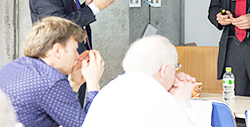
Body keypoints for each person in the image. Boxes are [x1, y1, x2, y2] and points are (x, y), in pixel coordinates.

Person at [82, 35, 210, 127]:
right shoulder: (159, 98)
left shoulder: (107, 91)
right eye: (175, 67)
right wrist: (183, 101)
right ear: (164, 70)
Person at [0, 16, 105, 127]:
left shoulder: (15, 66)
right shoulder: (51, 80)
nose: (77, 57)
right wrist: (93, 84)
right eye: (74, 50)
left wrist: (74, 84)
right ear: (57, 50)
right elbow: (88, 125)